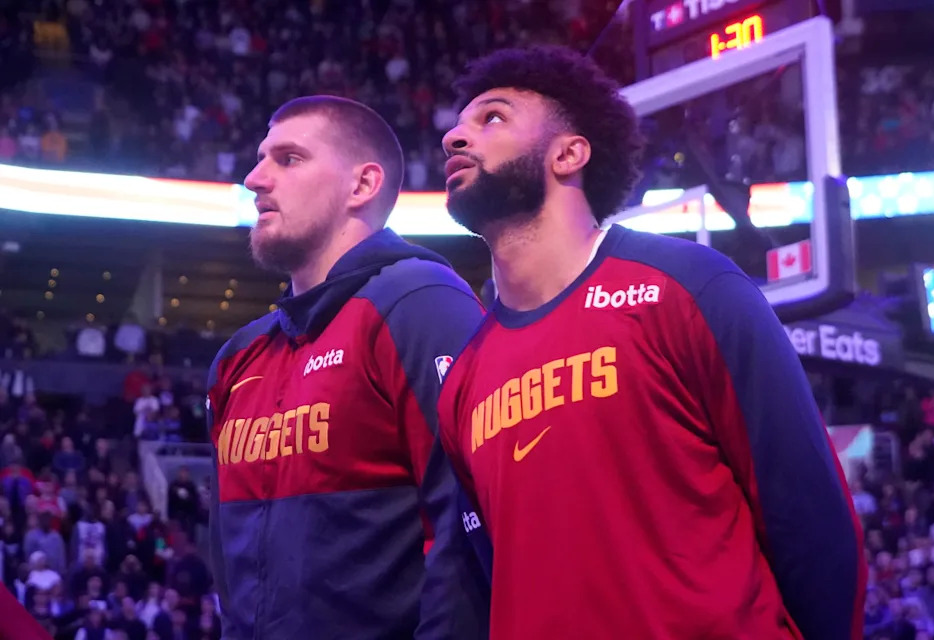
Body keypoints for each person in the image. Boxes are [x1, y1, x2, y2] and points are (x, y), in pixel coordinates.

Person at [436, 45, 866, 639]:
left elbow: (809, 517)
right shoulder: (463, 378)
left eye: (492, 118)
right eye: (459, 125)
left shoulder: (688, 285)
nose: (455, 137)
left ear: (568, 153)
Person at [207, 95, 489, 639]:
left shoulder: (420, 303)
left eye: (288, 159)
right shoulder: (237, 359)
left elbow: (467, 537)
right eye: (261, 158)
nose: (254, 178)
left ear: (361, 186)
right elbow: (229, 569)